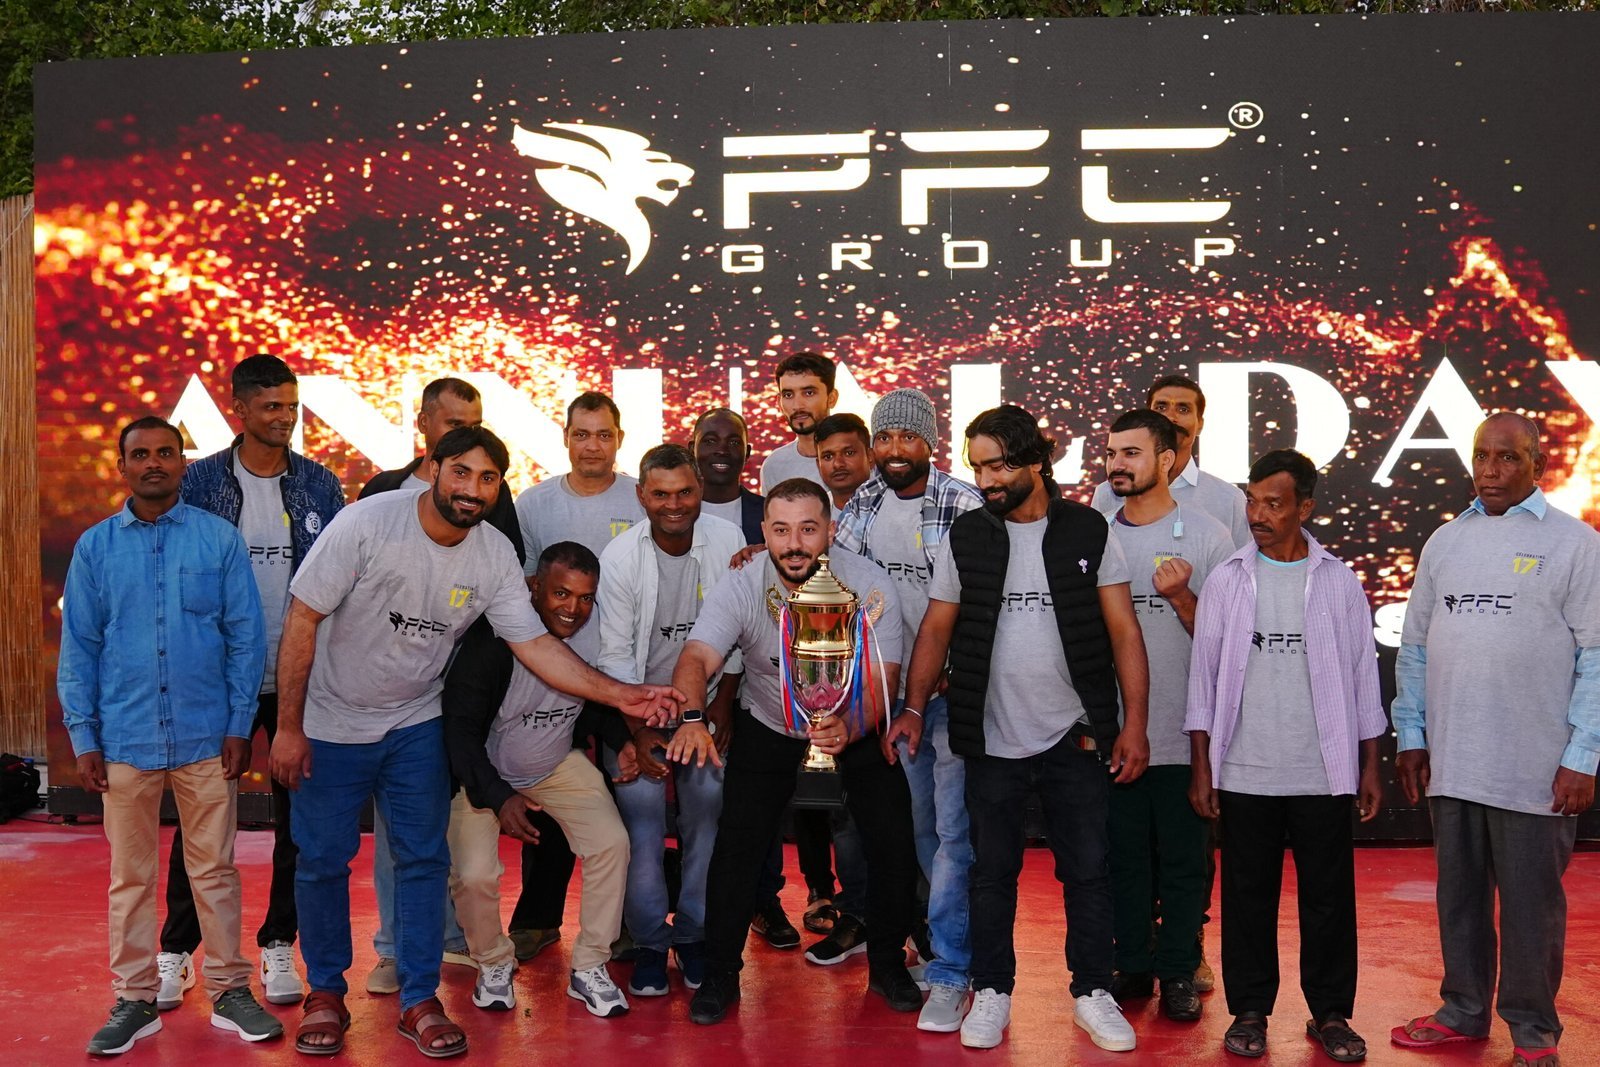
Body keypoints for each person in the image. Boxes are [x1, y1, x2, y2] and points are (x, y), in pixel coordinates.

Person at [269, 425, 680, 1058]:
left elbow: (536, 644)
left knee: (424, 861)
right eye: (461, 471)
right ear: (433, 466)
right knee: (322, 861)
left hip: (414, 722)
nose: (472, 488)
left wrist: (623, 698)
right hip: (331, 722)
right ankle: (325, 991)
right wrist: (289, 726)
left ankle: (418, 998)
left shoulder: (493, 555)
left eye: (488, 478)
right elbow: (303, 615)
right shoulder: (368, 523)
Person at [903, 404, 1149, 1053]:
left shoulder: (1089, 530)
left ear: (1036, 461)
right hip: (990, 736)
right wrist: (913, 706)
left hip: (1076, 734)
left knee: (1088, 870)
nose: (986, 479)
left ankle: (1092, 992)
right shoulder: (967, 537)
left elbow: (1125, 632)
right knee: (991, 872)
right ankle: (992, 991)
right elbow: (936, 627)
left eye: (998, 465)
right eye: (978, 467)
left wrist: (1135, 725)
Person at [61, 416, 282, 1055]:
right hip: (124, 738)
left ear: (183, 463)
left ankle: (229, 991)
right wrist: (84, 737)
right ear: (122, 466)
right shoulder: (95, 549)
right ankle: (134, 999)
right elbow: (80, 647)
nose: (153, 463)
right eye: (140, 454)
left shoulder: (218, 540)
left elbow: (245, 639)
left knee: (214, 871)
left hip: (206, 737)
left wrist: (238, 724)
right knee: (129, 878)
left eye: (165, 452)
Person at [669, 479, 923, 1025]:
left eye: (808, 529)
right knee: (735, 850)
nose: (794, 544)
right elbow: (696, 656)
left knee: (894, 844)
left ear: (830, 530)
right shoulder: (743, 582)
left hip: (852, 727)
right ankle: (720, 975)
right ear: (763, 532)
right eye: (781, 530)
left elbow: (884, 677)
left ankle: (887, 965)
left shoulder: (868, 584)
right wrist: (691, 718)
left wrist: (851, 725)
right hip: (770, 727)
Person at [1390, 413, 1599, 1067]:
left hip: (1536, 766)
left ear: (1538, 464)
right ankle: (1463, 1010)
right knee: (1459, 898)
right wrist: (1411, 733)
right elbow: (1415, 646)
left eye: (1507, 457)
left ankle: (1533, 1031)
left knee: (1533, 907)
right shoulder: (1446, 541)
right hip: (1454, 759)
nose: (1490, 469)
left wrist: (1583, 755)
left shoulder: (1576, 543)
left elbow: (1597, 655)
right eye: (1482, 455)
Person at [155, 355, 344, 1010]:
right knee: (203, 820)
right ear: (239, 407)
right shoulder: (199, 481)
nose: (284, 418)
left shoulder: (320, 484)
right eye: (271, 407)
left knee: (299, 822)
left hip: (298, 679)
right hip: (217, 680)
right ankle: (177, 950)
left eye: (291, 406)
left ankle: (279, 943)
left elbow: (341, 584)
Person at [1185, 448, 1385, 1062]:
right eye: (1252, 501)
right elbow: (1203, 680)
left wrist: (1369, 764)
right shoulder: (1227, 580)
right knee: (1248, 897)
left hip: (1323, 770)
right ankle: (1249, 1011)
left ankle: (1331, 1014)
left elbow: (1363, 676)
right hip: (1245, 770)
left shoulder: (1338, 580)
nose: (1258, 515)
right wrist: (1202, 766)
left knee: (1329, 899)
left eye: (1274, 503)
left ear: (1305, 508)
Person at [359, 377, 513, 992]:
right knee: (397, 827)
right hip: (388, 698)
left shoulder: (496, 498)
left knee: (447, 822)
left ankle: (451, 939)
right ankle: (394, 948)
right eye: (453, 425)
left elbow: (506, 604)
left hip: (461, 694)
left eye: (474, 423)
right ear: (425, 427)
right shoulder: (379, 494)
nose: (465, 439)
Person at [839, 388, 983, 1033]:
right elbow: (829, 581)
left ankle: (953, 966)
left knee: (952, 834)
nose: (894, 450)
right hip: (884, 696)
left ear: (931, 442)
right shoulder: (861, 505)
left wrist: (953, 672)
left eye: (907, 438)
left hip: (948, 696)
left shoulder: (963, 503)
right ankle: (946, 950)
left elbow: (986, 602)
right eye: (885, 438)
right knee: (921, 828)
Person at [441, 542, 634, 1016]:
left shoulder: (592, 635)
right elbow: (459, 734)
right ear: (534, 588)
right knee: (474, 875)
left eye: (585, 598)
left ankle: (590, 965)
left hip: (554, 764)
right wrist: (499, 796)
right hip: (483, 775)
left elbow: (593, 702)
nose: (573, 609)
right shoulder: (491, 643)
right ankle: (493, 962)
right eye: (561, 594)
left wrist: (624, 740)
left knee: (611, 843)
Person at [595, 444, 748, 997]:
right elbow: (615, 660)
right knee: (641, 825)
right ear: (641, 496)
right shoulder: (619, 559)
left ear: (700, 489)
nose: (674, 504)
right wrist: (638, 733)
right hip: (637, 709)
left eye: (685, 492)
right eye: (660, 494)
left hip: (704, 708)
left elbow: (739, 631)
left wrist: (721, 706)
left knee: (705, 820)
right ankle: (650, 946)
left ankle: (694, 936)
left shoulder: (728, 541)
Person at [1097, 409, 1232, 1024]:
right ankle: (1132, 965)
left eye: (1131, 453)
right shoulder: (1096, 536)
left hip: (1184, 731)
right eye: (1111, 453)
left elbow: (1228, 645)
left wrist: (1181, 598)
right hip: (1113, 733)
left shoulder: (1209, 536)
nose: (1117, 464)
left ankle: (1178, 969)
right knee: (1122, 858)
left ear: (1167, 460)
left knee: (1183, 862)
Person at [507, 390, 644, 961]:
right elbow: (521, 587)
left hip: (620, 674)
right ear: (565, 438)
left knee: (627, 800)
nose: (592, 446)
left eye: (603, 435)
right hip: (549, 674)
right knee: (547, 797)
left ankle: (626, 923)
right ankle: (537, 919)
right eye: (582, 434)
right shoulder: (534, 503)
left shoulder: (640, 498)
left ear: (619, 439)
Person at [1091, 373, 1249, 549]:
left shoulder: (1228, 499)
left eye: (1183, 409)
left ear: (1200, 424)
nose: (1170, 417)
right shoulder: (1108, 493)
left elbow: (1243, 563)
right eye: (1161, 407)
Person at [758, 351, 836, 493]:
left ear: (832, 398)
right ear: (779, 402)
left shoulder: (866, 455)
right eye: (788, 395)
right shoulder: (774, 466)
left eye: (809, 393)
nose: (797, 405)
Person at [693, 407, 764, 544]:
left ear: (747, 453)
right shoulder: (673, 512)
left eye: (734, 442)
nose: (722, 451)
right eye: (710, 441)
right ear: (692, 449)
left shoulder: (770, 513)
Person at [813, 412, 875, 520]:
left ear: (870, 456)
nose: (838, 464)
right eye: (828, 457)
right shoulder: (811, 514)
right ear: (818, 465)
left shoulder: (895, 506)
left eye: (849, 453)